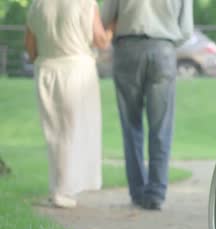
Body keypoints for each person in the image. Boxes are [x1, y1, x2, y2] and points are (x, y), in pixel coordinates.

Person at [101, 0, 193, 210]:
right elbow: (186, 31)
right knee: (161, 126)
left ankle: (137, 190)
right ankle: (156, 194)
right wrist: (164, 41)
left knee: (131, 125)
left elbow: (105, 19)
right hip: (163, 49)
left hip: (127, 50)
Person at [25, 0, 113, 208]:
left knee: (55, 133)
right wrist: (112, 29)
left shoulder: (37, 5)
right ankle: (64, 190)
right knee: (75, 131)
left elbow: (30, 48)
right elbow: (100, 41)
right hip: (77, 70)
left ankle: (59, 187)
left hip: (47, 70)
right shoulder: (85, 3)